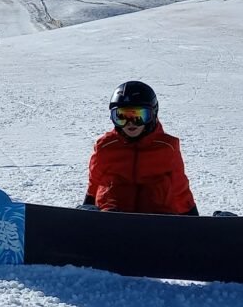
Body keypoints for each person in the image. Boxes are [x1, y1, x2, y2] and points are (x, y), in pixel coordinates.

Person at [82, 81, 198, 215]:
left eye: (138, 116)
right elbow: (94, 183)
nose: (130, 123)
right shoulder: (106, 146)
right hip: (113, 213)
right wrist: (87, 211)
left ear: (153, 114)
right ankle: (109, 222)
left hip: (156, 215)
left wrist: (193, 219)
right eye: (121, 116)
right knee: (111, 183)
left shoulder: (167, 147)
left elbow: (180, 188)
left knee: (157, 186)